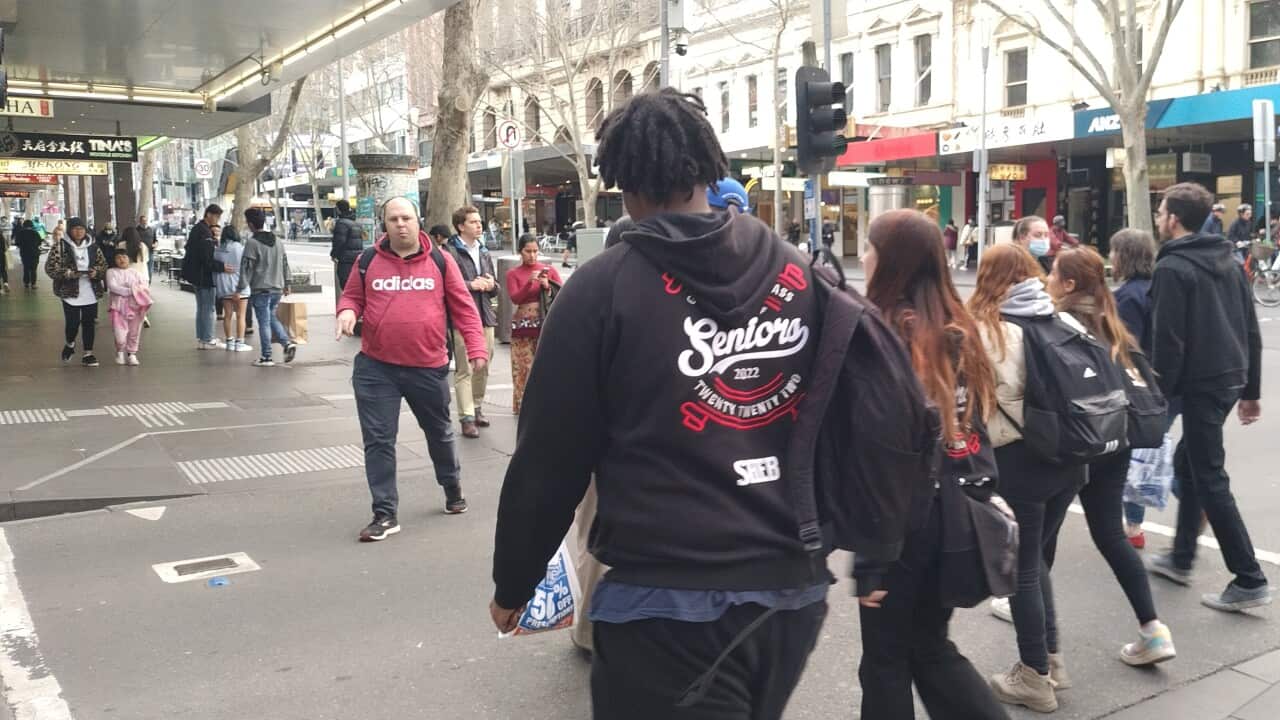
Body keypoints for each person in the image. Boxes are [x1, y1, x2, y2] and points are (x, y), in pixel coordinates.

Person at [490, 89, 829, 720]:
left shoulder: (600, 289)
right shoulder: (797, 273)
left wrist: (515, 581)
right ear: (707, 166)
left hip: (665, 601)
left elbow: (549, 459)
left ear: (621, 179)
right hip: (791, 589)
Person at [855, 209, 1009, 720]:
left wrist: (873, 557)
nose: (862, 257)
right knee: (928, 645)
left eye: (869, 248)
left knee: (885, 661)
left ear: (892, 261)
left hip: (902, 524)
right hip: (953, 515)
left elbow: (884, 455)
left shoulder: (888, 333)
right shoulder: (956, 323)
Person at [1044, 246, 1178, 668]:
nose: (1047, 280)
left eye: (1052, 274)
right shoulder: (1114, 326)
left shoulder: (1057, 325)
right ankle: (1152, 629)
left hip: (1075, 443)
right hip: (1115, 442)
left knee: (1042, 534)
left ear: (1068, 285)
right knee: (1111, 535)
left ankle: (1035, 625)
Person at [968, 243, 1087, 713]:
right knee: (1034, 562)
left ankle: (1036, 674)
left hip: (1021, 463)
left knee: (1023, 571)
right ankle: (1050, 661)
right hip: (1072, 460)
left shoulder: (991, 330)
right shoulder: (1062, 320)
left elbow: (975, 404)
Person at [1146, 183, 1272, 611]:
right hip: (1227, 378)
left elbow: (1168, 343)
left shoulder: (1172, 268)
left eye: (1161, 211)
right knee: (1191, 463)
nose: (1159, 217)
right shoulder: (1229, 259)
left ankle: (1249, 577)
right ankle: (1181, 556)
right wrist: (1250, 389)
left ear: (1174, 219)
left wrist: (1156, 398)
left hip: (1201, 383)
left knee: (1209, 475)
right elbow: (1250, 329)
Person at [336, 197, 487, 540]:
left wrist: (476, 347)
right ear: (384, 224)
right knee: (378, 441)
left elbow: (464, 309)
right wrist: (346, 312)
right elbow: (351, 297)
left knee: (440, 434)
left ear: (418, 221)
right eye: (393, 219)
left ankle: (451, 486)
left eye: (406, 218)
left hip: (427, 367)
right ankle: (384, 513)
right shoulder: (368, 260)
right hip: (376, 369)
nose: (400, 224)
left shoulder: (440, 260)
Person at [1109, 229, 1159, 548]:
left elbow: (1126, 348)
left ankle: (1133, 526)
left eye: (1114, 252)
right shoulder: (1157, 288)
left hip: (1138, 385)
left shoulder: (1126, 297)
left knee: (1134, 455)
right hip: (1162, 381)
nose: (1111, 258)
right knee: (1150, 451)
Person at [445, 205, 497, 439]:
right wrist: (471, 285)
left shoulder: (483, 250)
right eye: (474, 222)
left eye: (480, 222)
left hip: (485, 315)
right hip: (462, 318)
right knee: (464, 368)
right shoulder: (450, 252)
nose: (479, 225)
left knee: (484, 365)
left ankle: (477, 406)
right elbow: (446, 287)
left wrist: (490, 284)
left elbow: (495, 286)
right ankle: (466, 417)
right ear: (460, 226)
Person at [506, 235, 562, 414]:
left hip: (545, 321)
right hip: (522, 325)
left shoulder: (549, 270)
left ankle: (546, 402)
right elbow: (515, 298)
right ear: (520, 252)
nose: (532, 255)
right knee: (523, 365)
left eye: (535, 251)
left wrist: (547, 285)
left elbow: (561, 292)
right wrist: (529, 283)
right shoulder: (513, 274)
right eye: (528, 251)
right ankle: (523, 404)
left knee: (546, 364)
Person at [239, 208, 298, 367]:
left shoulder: (252, 243)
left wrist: (240, 287)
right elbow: (285, 263)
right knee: (271, 317)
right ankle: (287, 343)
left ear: (250, 224)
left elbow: (246, 267)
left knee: (264, 322)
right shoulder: (277, 241)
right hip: (277, 288)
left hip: (261, 289)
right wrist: (287, 283)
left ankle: (266, 357)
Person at [46, 218, 107, 367]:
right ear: (69, 230)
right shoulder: (60, 246)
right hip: (69, 292)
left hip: (90, 291)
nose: (79, 232)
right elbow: (50, 268)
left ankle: (88, 354)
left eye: (81, 228)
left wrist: (96, 272)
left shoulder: (93, 247)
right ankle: (70, 344)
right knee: (72, 323)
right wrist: (67, 273)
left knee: (89, 323)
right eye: (75, 228)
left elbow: (103, 264)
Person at [184, 205, 224, 350]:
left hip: (195, 274)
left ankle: (202, 338)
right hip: (204, 276)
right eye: (216, 216)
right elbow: (207, 258)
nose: (217, 220)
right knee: (208, 308)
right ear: (208, 214)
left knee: (201, 307)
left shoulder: (197, 229)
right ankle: (207, 338)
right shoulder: (205, 232)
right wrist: (222, 267)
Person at [105, 250, 151, 366]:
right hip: (118, 307)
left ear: (129, 259)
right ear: (114, 260)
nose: (122, 260)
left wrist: (130, 290)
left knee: (134, 332)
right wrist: (132, 290)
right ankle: (120, 351)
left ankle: (132, 354)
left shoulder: (136, 272)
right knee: (119, 334)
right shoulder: (111, 272)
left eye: (124, 257)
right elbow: (112, 287)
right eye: (118, 257)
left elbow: (144, 285)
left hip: (135, 307)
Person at [216, 223, 251, 353]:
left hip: (224, 287)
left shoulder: (218, 249)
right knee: (241, 316)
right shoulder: (239, 248)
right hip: (239, 286)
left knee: (227, 316)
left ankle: (229, 341)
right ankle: (240, 342)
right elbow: (246, 268)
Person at [329, 199, 363, 308]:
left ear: (338, 209)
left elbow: (339, 241)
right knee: (355, 285)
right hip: (356, 258)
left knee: (346, 285)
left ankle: (351, 309)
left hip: (345, 259)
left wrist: (334, 254)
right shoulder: (356, 223)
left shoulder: (342, 223)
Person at [15, 220, 40, 290]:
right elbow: (39, 242)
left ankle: (26, 283)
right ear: (31, 225)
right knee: (33, 269)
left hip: (24, 253)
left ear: (24, 225)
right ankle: (33, 284)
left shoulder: (20, 233)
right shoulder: (35, 233)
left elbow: (17, 243)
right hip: (34, 254)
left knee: (26, 268)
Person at [134, 215, 157, 281]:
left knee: (149, 268)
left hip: (150, 251)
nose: (145, 222)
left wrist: (155, 244)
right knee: (141, 268)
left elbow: (155, 240)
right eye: (143, 221)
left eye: (146, 220)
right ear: (140, 221)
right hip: (140, 252)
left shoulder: (151, 229)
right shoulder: (136, 230)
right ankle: (141, 281)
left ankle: (148, 282)